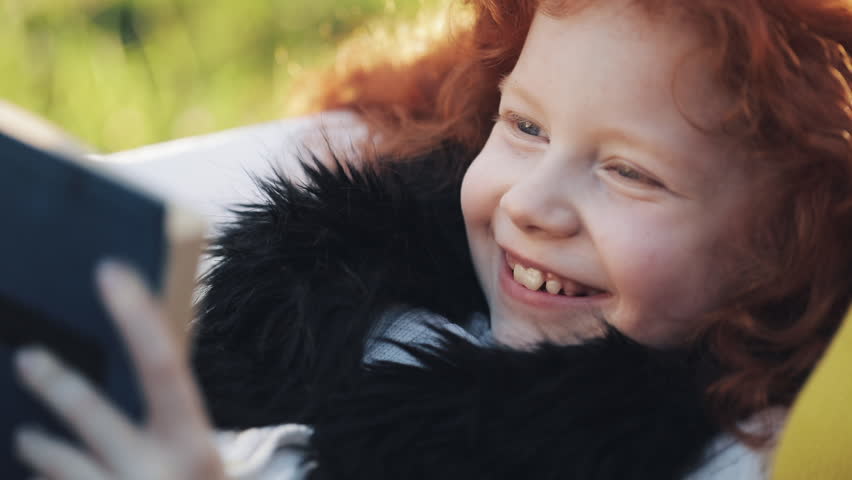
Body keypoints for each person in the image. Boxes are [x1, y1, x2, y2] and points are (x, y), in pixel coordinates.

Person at [11, 0, 852, 478]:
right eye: (523, 125)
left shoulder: (728, 454)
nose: (531, 203)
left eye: (631, 172)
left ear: (790, 245)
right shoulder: (342, 274)